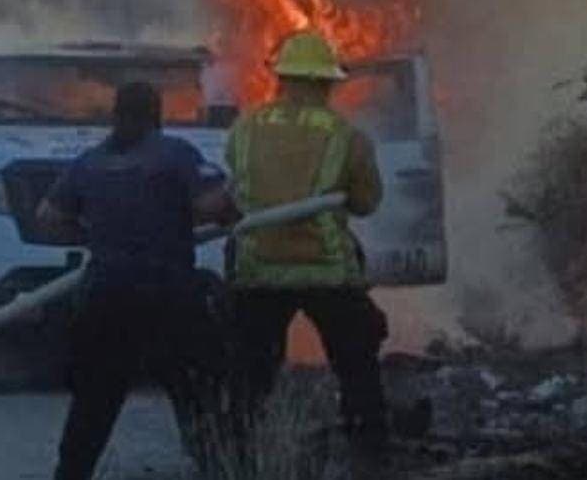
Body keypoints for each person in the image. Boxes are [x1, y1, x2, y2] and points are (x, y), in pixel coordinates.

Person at [36, 82, 236, 480]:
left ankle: (71, 474)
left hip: (105, 297)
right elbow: (209, 204)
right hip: (168, 296)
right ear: (156, 116)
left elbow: (47, 217)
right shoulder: (174, 154)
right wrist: (231, 208)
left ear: (116, 115)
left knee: (94, 403)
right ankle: (220, 467)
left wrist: (92, 234)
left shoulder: (88, 163)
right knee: (198, 394)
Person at [224, 31, 391, 460]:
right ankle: (369, 457)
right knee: (357, 366)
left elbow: (235, 193)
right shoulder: (345, 136)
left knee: (249, 376)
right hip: (327, 272)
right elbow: (367, 203)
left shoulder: (244, 129)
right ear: (324, 83)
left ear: (282, 80)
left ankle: (237, 457)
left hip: (258, 269)